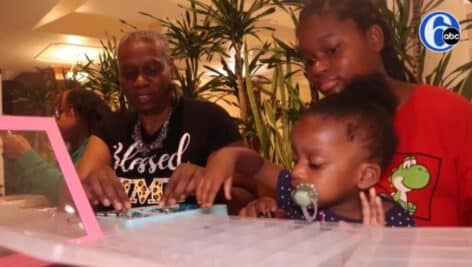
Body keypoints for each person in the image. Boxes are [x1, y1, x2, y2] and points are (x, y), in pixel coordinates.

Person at [244, 0, 472, 226]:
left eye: (332, 50)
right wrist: (280, 214)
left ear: (374, 38)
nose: (317, 68)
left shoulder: (452, 115)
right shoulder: (323, 129)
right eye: (310, 59)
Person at [190, 75, 414, 226]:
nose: (297, 171)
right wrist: (230, 156)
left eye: (315, 164)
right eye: (297, 159)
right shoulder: (301, 198)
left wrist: (379, 251)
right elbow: (257, 166)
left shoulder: (395, 223)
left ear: (365, 175)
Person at [76, 30, 244, 211]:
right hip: (124, 237)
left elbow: (250, 195)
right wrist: (92, 182)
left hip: (193, 237)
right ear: (120, 78)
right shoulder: (111, 126)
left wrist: (210, 184)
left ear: (170, 69)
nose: (140, 81)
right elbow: (72, 196)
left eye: (151, 70)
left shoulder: (208, 118)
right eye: (129, 73)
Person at [2, 87, 111, 202]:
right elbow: (37, 188)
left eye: (59, 111)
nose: (54, 119)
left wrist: (25, 154)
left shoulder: (95, 149)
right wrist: (12, 157)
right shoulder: (71, 152)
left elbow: (69, 191)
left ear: (76, 115)